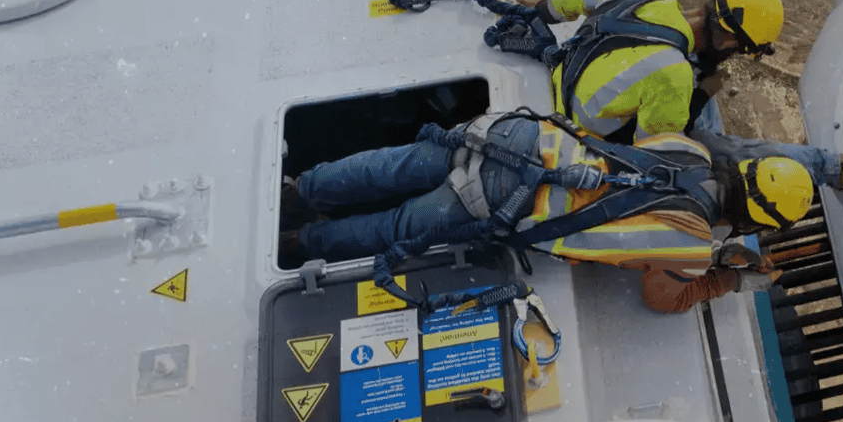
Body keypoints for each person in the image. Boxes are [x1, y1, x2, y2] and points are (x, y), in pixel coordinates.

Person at [281, 110, 814, 313]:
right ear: (749, 223)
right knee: (397, 227)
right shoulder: (690, 246)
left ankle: (299, 189)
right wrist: (723, 281)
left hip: (518, 138)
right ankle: (301, 245)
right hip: (504, 201)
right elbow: (661, 296)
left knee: (391, 168)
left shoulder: (691, 150)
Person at [511, 0, 843, 191]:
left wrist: (544, 5)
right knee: (721, 150)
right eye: (740, 49)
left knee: (686, 79)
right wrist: (703, 93)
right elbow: (657, 151)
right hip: (588, 135)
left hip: (569, 74)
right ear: (727, 40)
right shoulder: (672, 75)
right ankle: (832, 168)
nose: (734, 55)